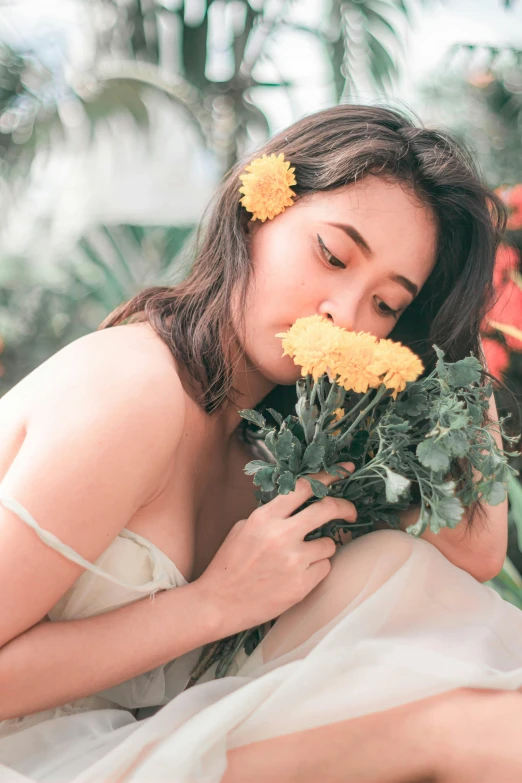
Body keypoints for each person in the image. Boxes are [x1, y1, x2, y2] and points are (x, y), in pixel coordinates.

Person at [0, 102, 521, 783]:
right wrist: (212, 604)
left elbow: (476, 551)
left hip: (133, 742)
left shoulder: (282, 438)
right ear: (259, 206)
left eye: (387, 304)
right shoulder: (132, 388)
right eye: (332, 254)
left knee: (404, 581)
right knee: (467, 729)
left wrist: (446, 357)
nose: (346, 314)